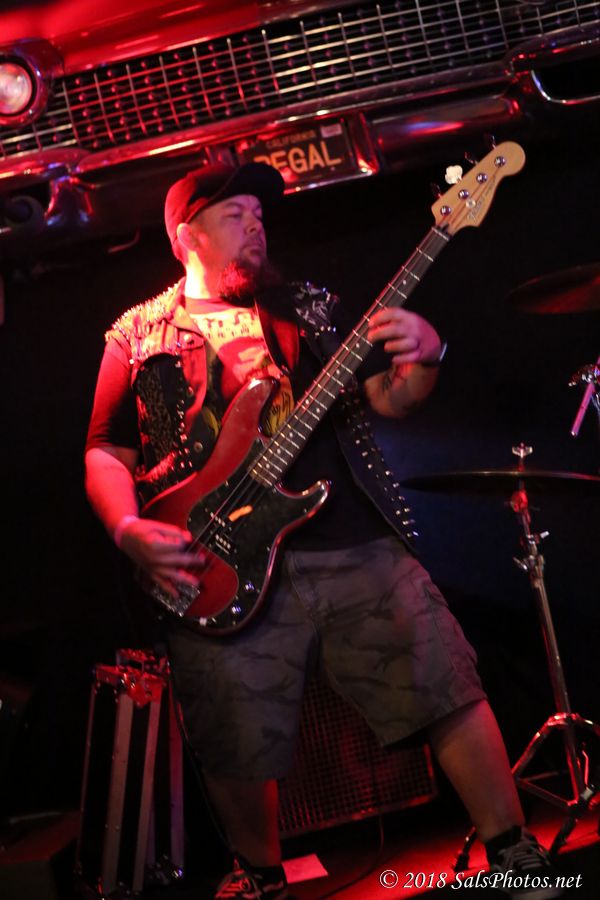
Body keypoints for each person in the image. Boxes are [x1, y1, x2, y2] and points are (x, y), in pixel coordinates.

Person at [85, 162, 563, 899]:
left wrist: (425, 356)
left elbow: (388, 399)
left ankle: (512, 848)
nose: (256, 225)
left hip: (345, 538)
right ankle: (262, 878)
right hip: (212, 559)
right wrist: (127, 529)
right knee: (233, 730)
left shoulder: (306, 307)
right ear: (187, 236)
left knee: (443, 679)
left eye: (260, 214)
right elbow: (105, 452)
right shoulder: (137, 332)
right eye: (236, 214)